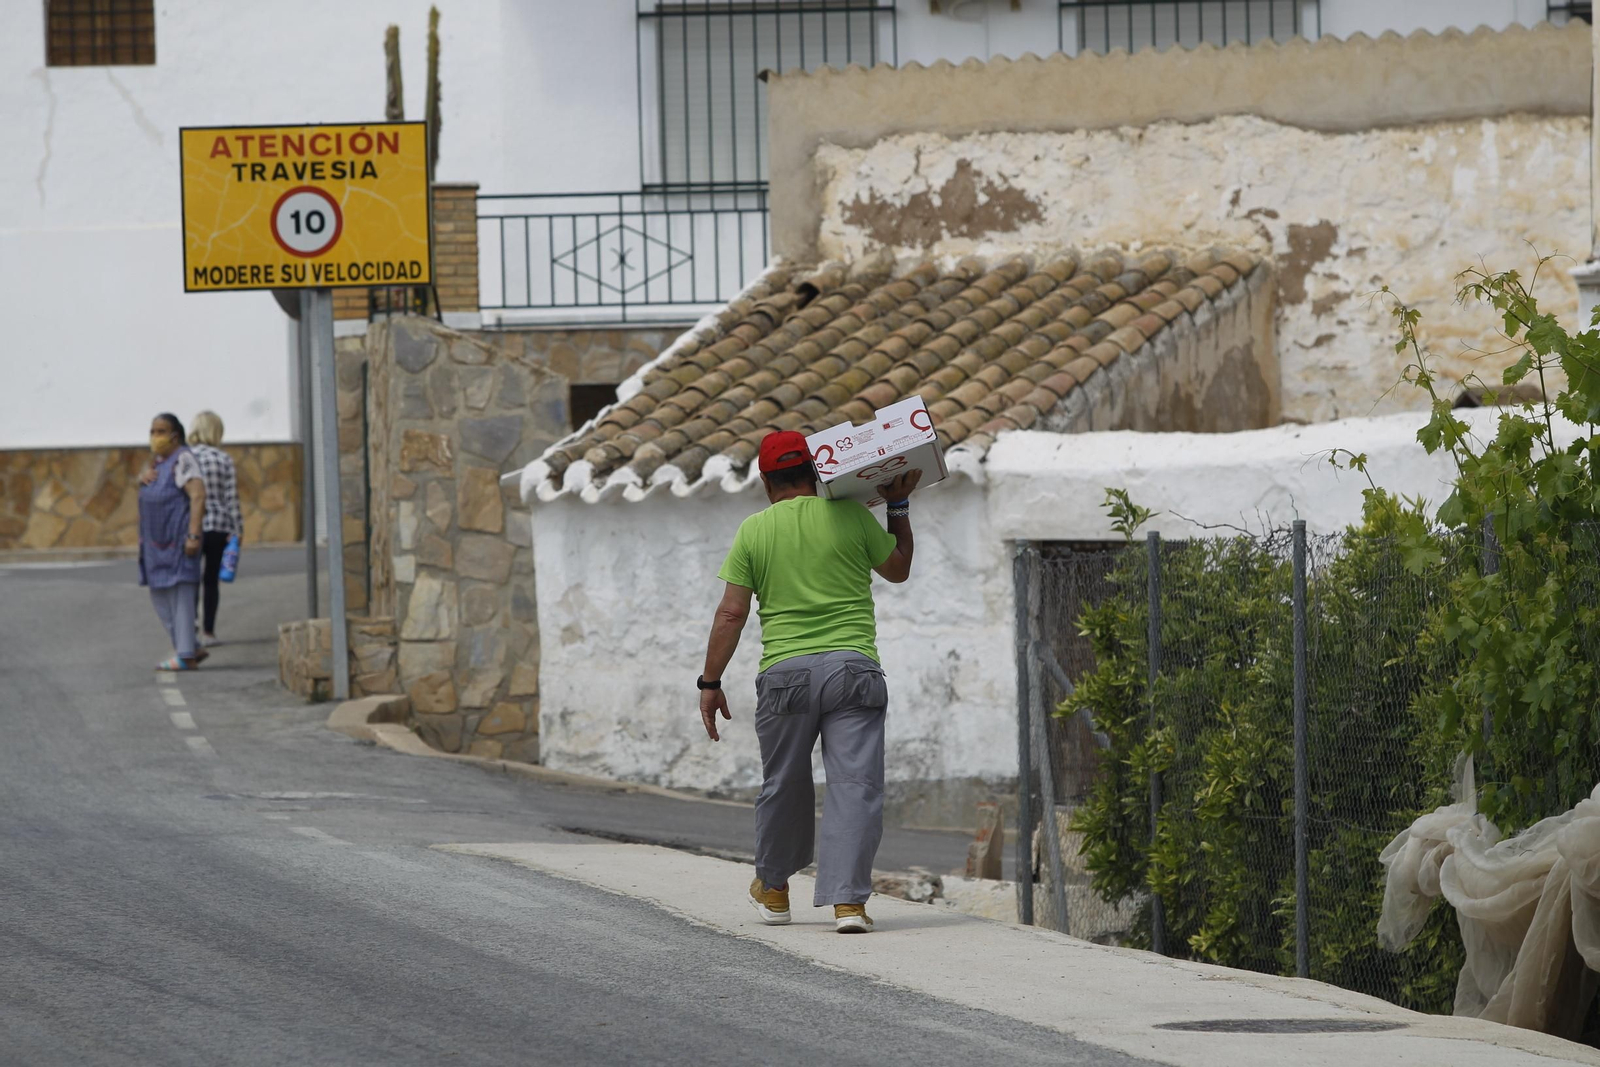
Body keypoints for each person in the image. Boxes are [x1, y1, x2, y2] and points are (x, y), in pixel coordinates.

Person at [698, 430, 921, 934]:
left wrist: (710, 681)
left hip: (785, 677)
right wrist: (899, 505)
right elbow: (899, 570)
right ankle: (848, 904)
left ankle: (775, 892)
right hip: (854, 671)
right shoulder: (851, 516)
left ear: (765, 481)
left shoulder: (754, 531)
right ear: (818, 474)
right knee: (855, 785)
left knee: (784, 783)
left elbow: (731, 613)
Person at [138, 413, 206, 671]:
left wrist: (193, 534)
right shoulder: (158, 462)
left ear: (175, 435)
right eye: (152, 431)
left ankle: (186, 654)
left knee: (181, 596)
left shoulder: (184, 459)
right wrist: (143, 478)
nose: (155, 437)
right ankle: (191, 646)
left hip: (178, 541)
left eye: (161, 431)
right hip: (156, 546)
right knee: (160, 596)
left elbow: (198, 495)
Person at [187, 410, 243, 646]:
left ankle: (190, 628)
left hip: (192, 526)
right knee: (211, 580)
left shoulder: (187, 457)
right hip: (219, 527)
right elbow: (231, 498)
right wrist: (238, 529)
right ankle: (208, 632)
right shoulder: (224, 459)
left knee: (190, 579)